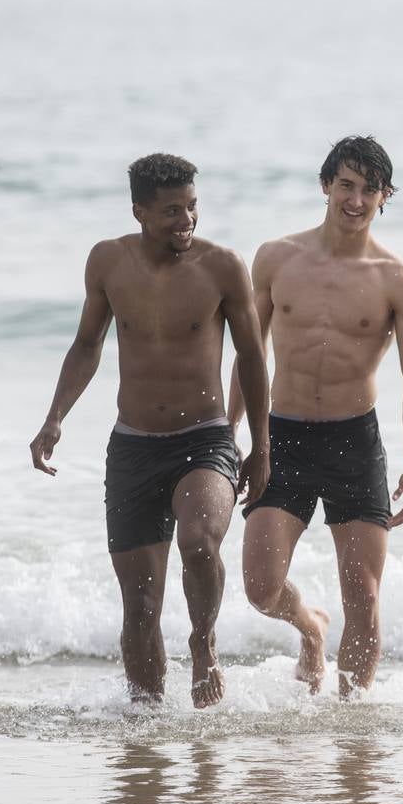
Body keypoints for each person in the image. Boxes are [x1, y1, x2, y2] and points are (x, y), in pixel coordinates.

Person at [29, 154, 270, 708]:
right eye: (170, 212)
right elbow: (88, 344)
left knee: (199, 541)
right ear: (139, 211)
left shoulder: (223, 267)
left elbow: (253, 358)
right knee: (139, 609)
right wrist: (55, 417)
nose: (186, 220)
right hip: (133, 446)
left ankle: (203, 640)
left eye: (191, 207)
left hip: (205, 439)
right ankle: (146, 734)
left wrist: (260, 446)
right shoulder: (108, 263)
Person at [228, 136, 403, 698]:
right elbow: (252, 352)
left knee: (363, 596)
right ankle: (309, 627)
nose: (356, 199)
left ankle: (353, 726)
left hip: (355, 443)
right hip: (283, 437)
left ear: (385, 196)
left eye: (370, 189)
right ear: (326, 186)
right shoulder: (276, 258)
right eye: (346, 185)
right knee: (260, 586)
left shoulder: (398, 279)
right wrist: (232, 433)